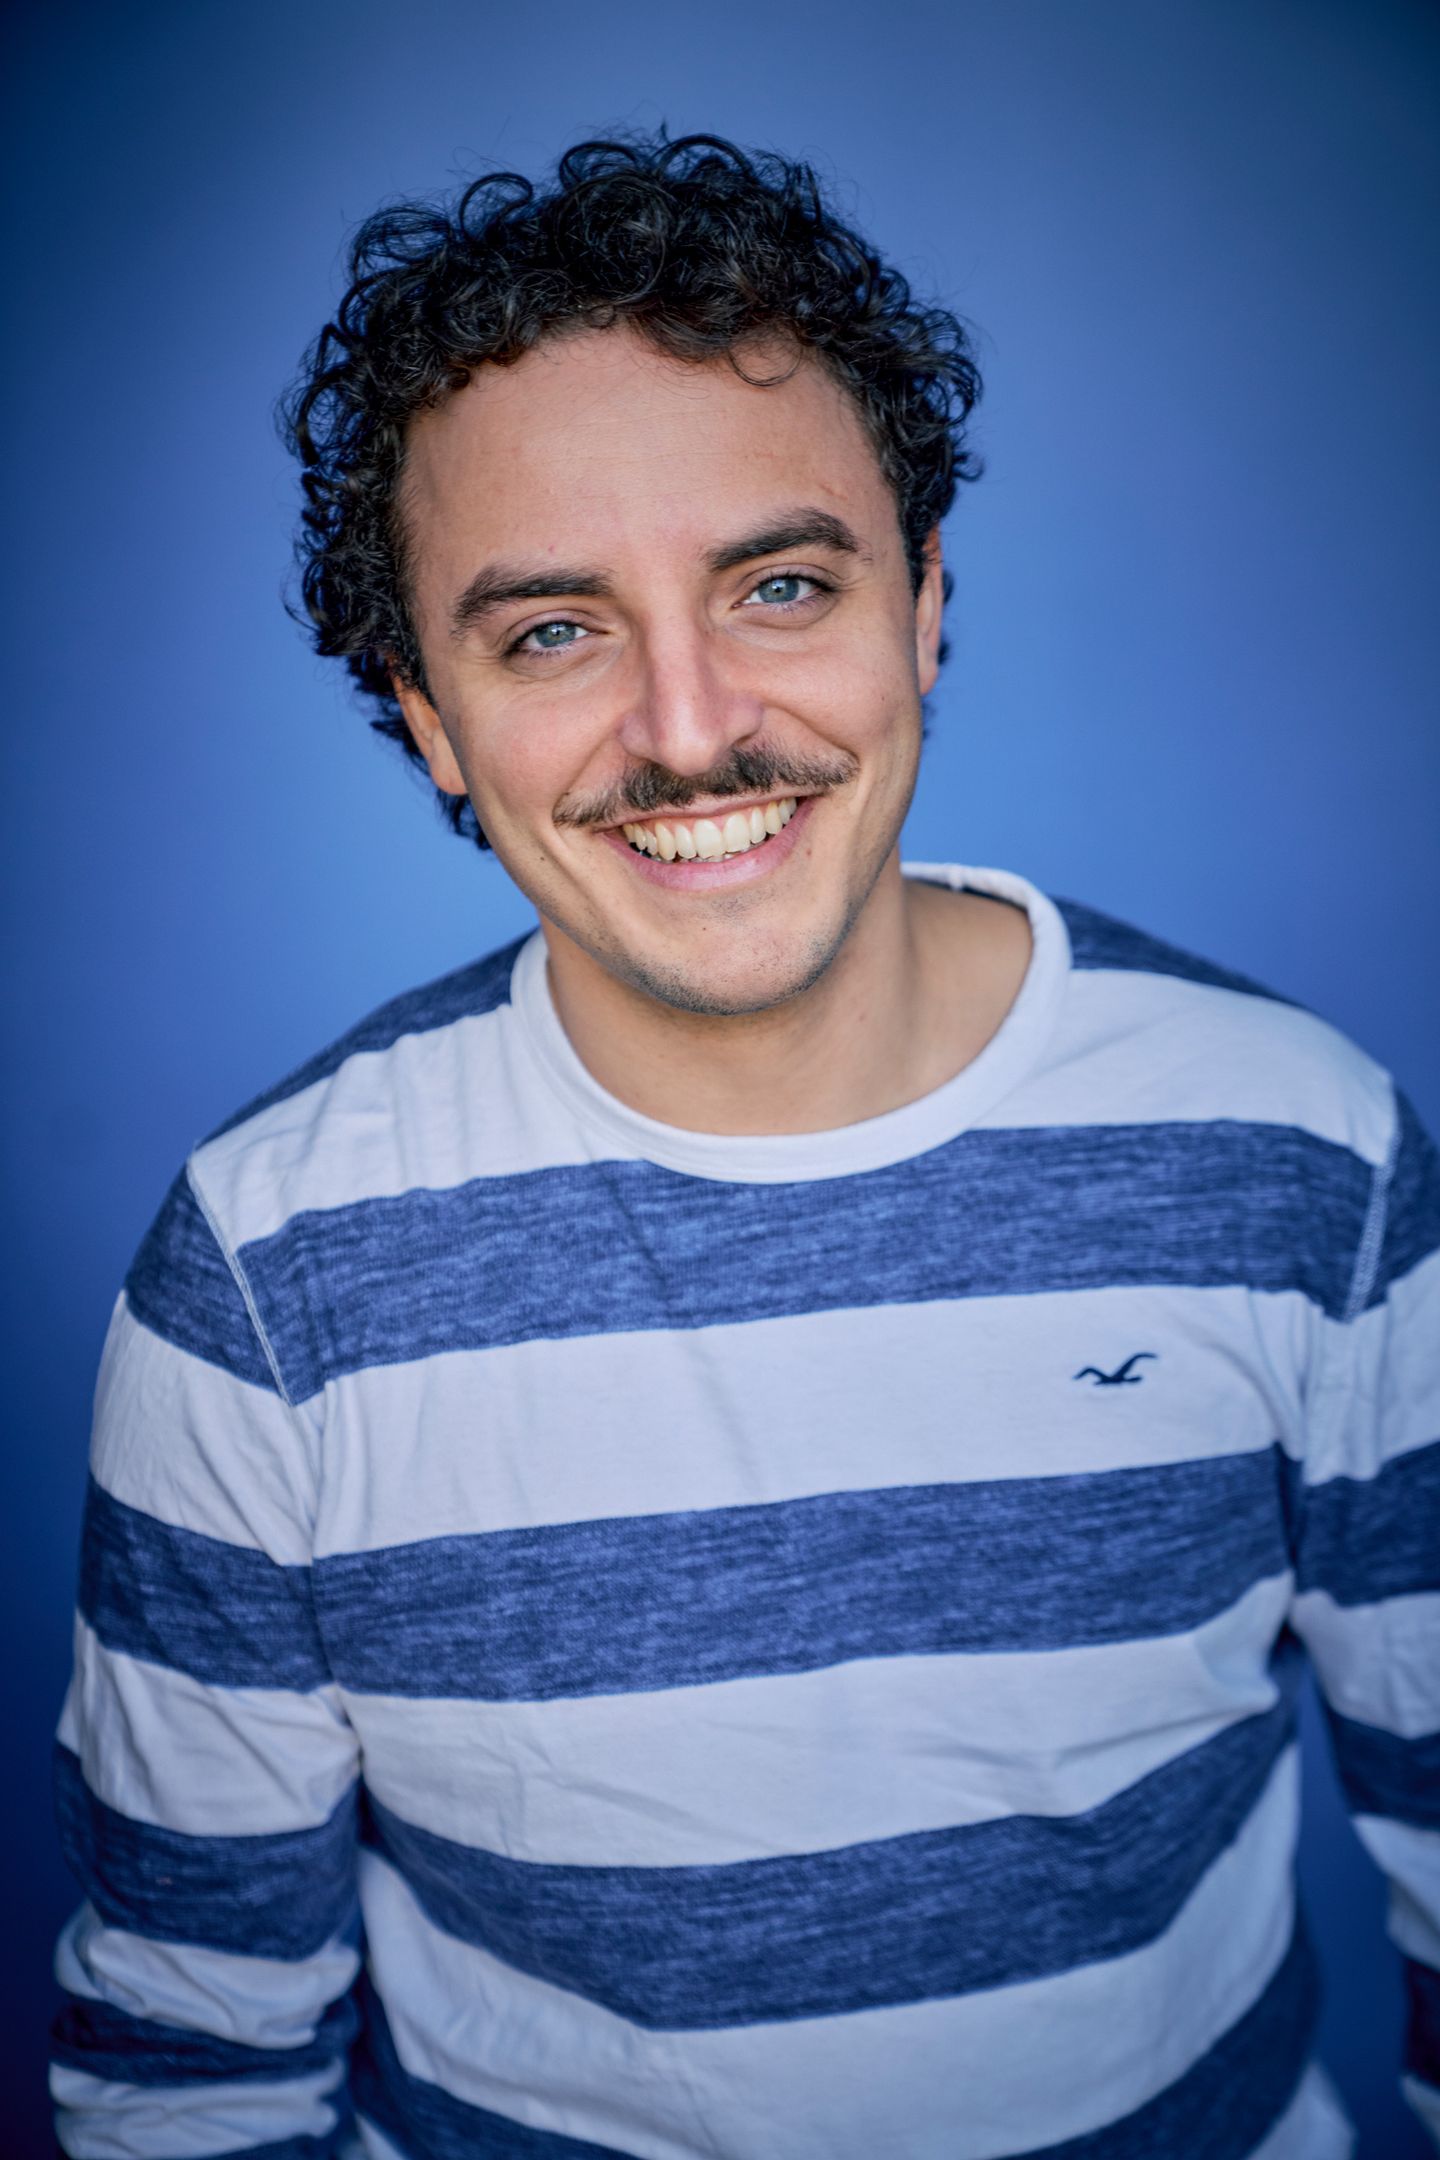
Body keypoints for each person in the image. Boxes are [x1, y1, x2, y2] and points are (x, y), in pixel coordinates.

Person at [50, 132, 1438, 2160]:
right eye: (552, 632)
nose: (693, 729)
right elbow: (191, 2066)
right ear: (429, 721)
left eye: (781, 587)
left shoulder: (1299, 1151)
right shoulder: (270, 1277)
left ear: (925, 604)